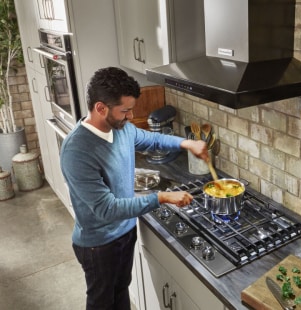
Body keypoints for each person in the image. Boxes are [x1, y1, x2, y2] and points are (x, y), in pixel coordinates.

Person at [60, 67, 207, 310]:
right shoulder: (77, 151)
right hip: (99, 245)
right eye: (125, 111)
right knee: (102, 304)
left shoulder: (122, 129)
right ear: (100, 108)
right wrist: (161, 197)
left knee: (121, 295)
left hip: (125, 232)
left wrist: (187, 143)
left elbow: (152, 139)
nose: (130, 117)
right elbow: (106, 209)